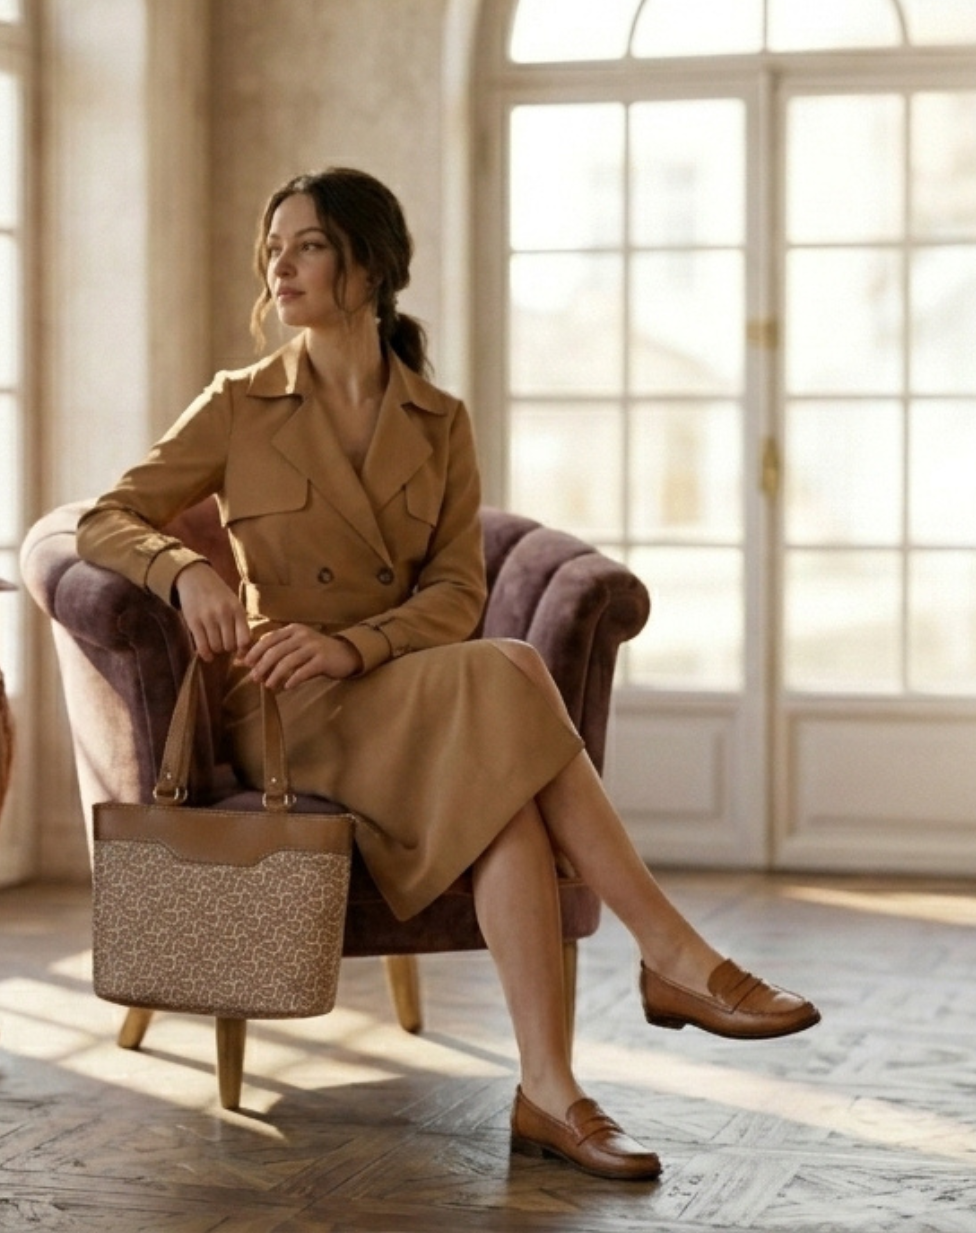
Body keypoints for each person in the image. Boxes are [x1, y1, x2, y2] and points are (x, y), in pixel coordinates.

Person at [76, 166, 819, 1182]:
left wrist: (357, 644)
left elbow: (455, 593)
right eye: (273, 247)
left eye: (306, 245)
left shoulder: (440, 419)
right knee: (510, 674)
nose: (277, 265)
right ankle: (672, 957)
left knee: (509, 798)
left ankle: (551, 1094)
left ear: (370, 266)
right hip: (285, 708)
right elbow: (102, 520)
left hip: (391, 685)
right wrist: (186, 568)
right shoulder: (240, 405)